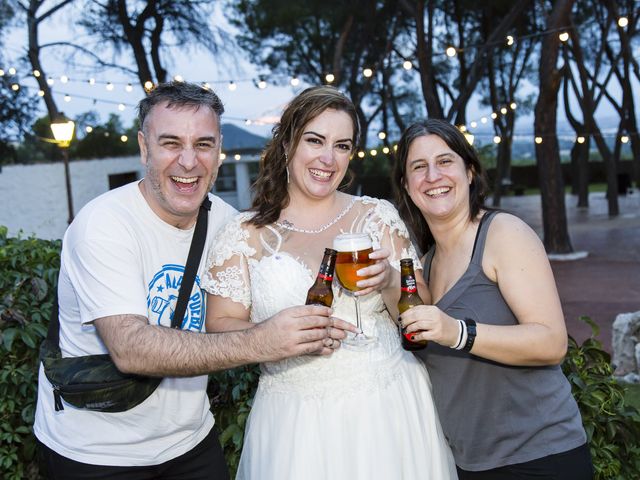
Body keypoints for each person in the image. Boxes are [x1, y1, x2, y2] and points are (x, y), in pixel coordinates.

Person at [34, 81, 353, 479]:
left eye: (203, 144)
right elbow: (130, 349)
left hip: (190, 442)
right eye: (171, 143)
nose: (189, 162)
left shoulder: (228, 223)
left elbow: (260, 300)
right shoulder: (104, 224)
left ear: (219, 151)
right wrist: (263, 341)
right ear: (144, 147)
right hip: (96, 452)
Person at [203, 86, 457, 480]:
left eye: (342, 145)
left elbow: (421, 315)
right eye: (314, 140)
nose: (327, 158)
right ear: (287, 143)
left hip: (391, 407)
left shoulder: (377, 216)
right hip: (295, 421)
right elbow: (218, 326)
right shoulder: (242, 234)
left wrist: (390, 281)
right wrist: (270, 335)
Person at [393, 118, 593, 480]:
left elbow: (551, 342)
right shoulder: (426, 263)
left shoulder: (503, 233)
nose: (433, 176)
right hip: (469, 464)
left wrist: (457, 332)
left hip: (538, 459)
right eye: (418, 167)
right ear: (407, 187)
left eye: (445, 161)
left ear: (469, 172)